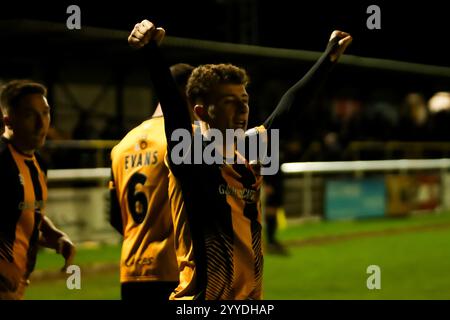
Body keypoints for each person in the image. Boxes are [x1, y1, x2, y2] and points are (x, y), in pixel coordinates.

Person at [128, 20, 351, 300]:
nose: (243, 107)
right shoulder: (190, 152)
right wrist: (151, 51)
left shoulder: (253, 147)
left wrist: (327, 59)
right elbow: (172, 106)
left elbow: (290, 106)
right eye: (229, 101)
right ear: (201, 111)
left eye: (244, 99)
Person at [109, 63, 195, 301]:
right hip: (175, 270)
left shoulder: (122, 145)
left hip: (131, 270)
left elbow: (115, 217)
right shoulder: (186, 137)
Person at [0, 80, 76, 300]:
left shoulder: (38, 163)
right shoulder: (2, 161)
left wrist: (55, 235)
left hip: (17, 289)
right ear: (8, 121)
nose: (41, 123)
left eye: (45, 113)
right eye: (30, 115)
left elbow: (22, 212)